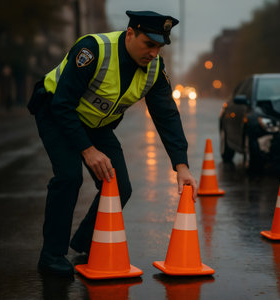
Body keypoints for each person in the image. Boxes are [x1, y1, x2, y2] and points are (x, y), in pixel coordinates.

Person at [28, 10, 197, 276]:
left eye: (159, 46)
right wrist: (88, 150)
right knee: (69, 177)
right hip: (57, 114)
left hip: (97, 125)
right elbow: (62, 105)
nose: (154, 53)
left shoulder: (154, 69)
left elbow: (167, 115)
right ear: (130, 34)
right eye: (149, 44)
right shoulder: (94, 50)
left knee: (119, 186)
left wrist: (181, 165)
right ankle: (51, 256)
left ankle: (85, 244)